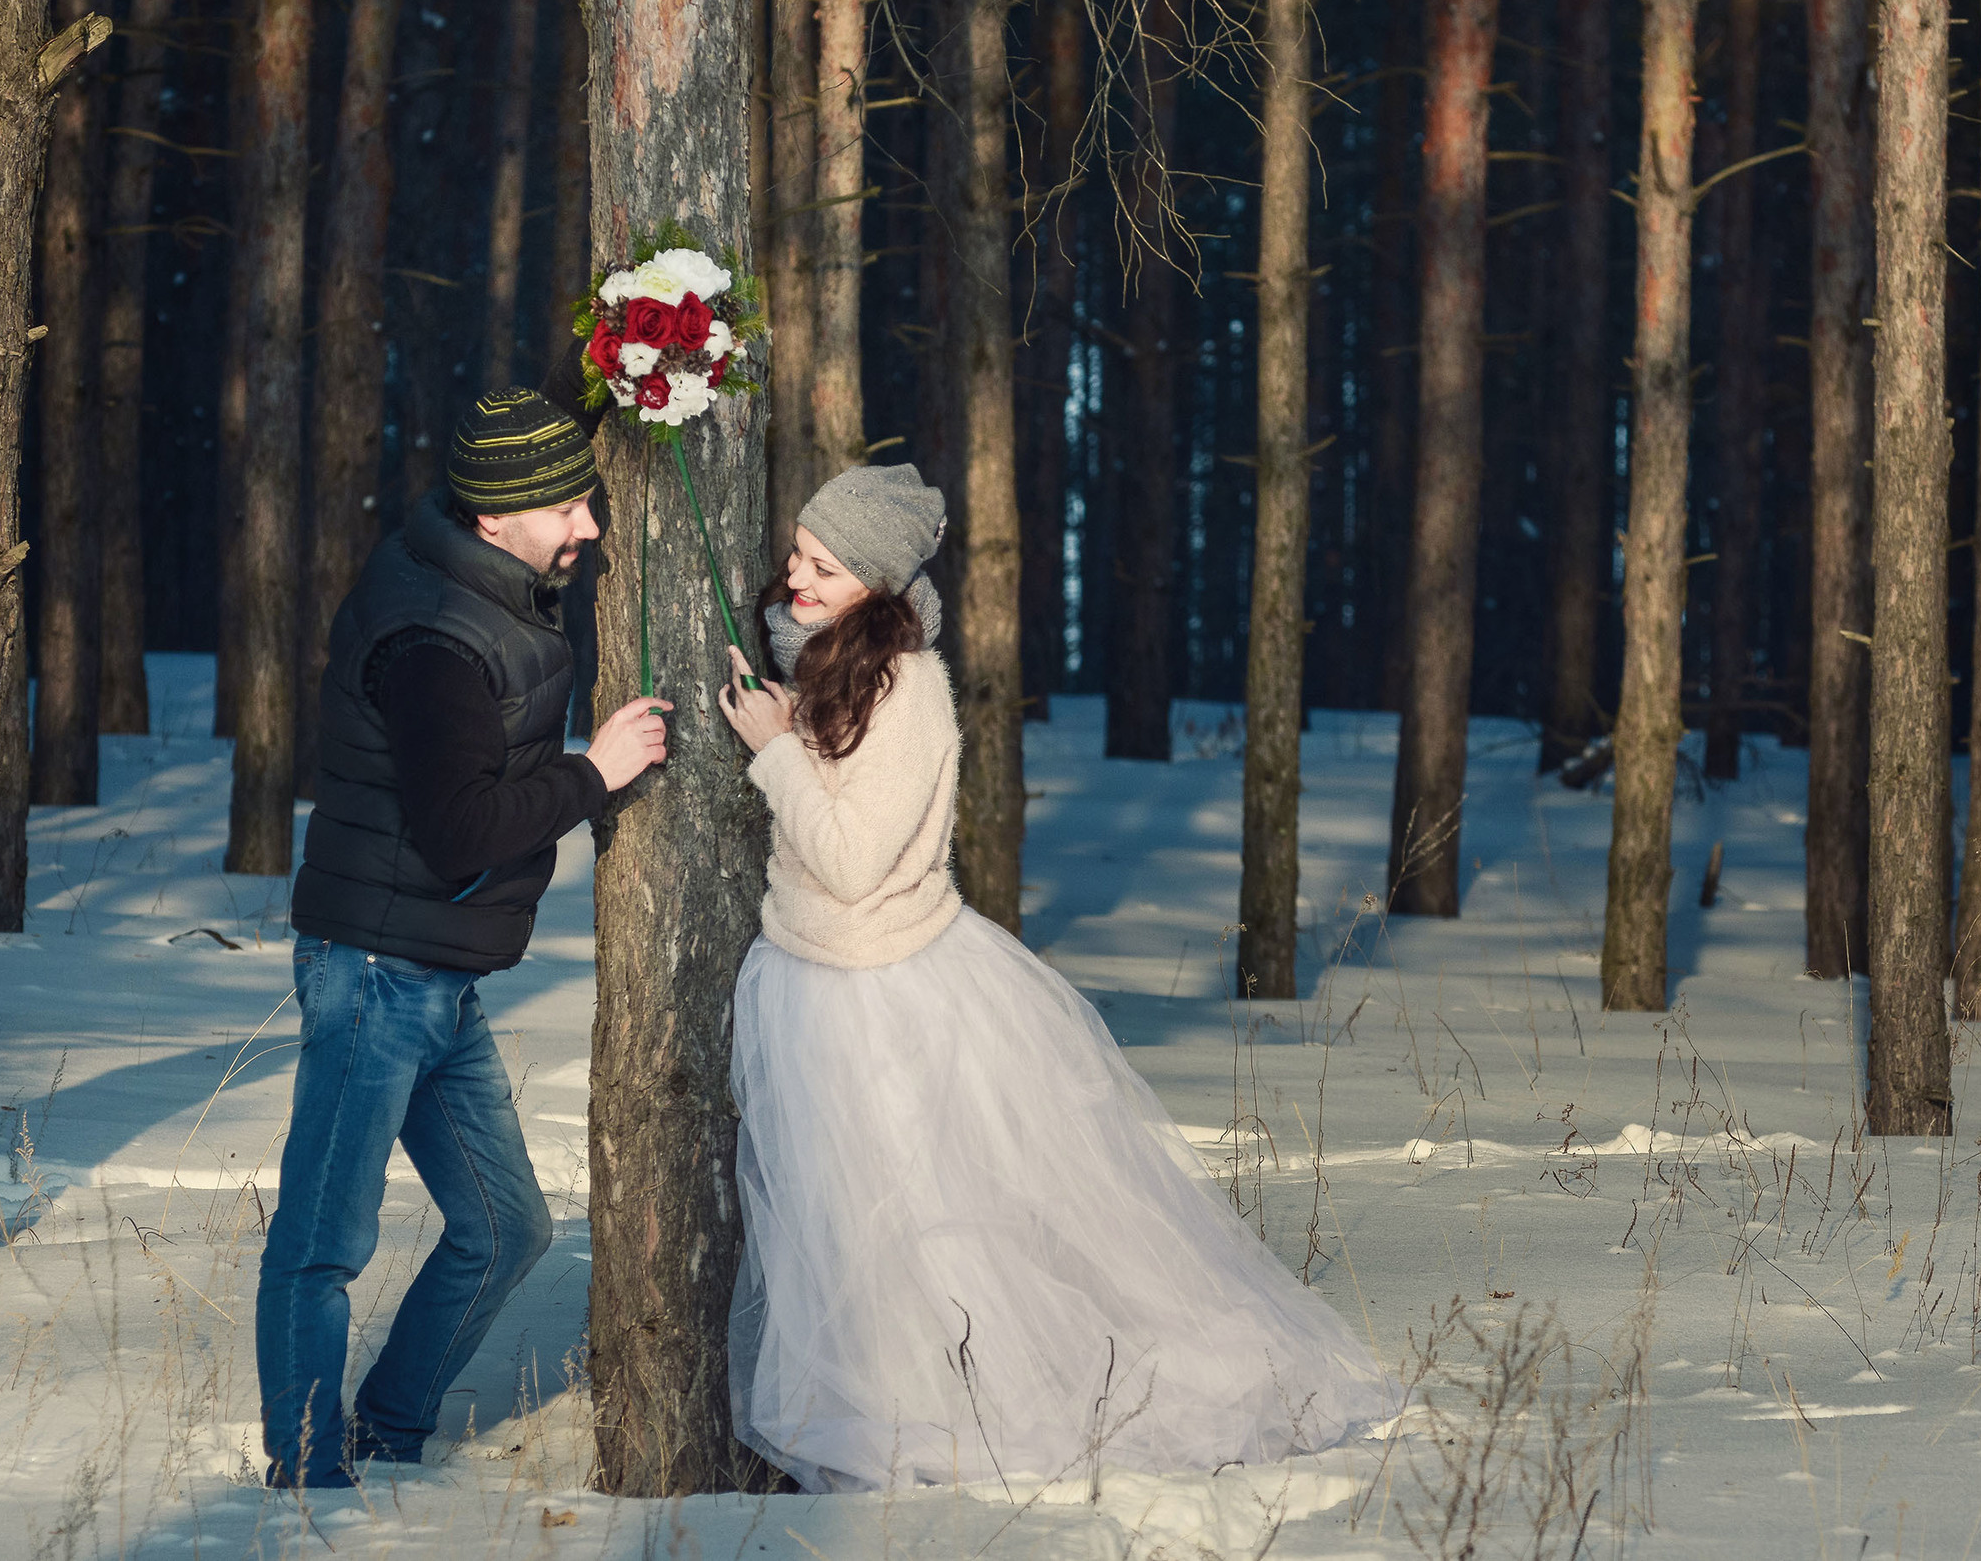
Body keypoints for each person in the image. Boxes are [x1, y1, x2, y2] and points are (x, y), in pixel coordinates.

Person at [715, 463, 1396, 1493]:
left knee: (917, 1225)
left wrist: (776, 753)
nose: (797, 579)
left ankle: (949, 1417)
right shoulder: (833, 667)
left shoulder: (907, 691)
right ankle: (893, 1403)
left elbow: (851, 862)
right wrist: (792, 726)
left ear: (881, 584)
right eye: (798, 555)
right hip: (812, 975)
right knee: (845, 1231)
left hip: (880, 993)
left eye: (826, 567)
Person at [257, 388, 670, 1489]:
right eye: (566, 507)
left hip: (435, 971)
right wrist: (595, 774)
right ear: (495, 518)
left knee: (505, 1230)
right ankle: (306, 1478)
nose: (589, 525)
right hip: (375, 971)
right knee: (322, 1243)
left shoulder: (485, 585)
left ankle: (388, 1432)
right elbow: (457, 831)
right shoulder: (434, 636)